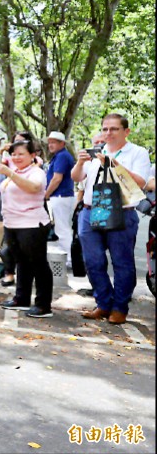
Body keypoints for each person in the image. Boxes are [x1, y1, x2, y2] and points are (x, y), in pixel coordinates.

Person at [71, 113, 151, 324]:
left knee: (122, 262)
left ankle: (119, 308)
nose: (108, 133)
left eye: (114, 129)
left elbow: (141, 182)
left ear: (126, 131)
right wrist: (80, 163)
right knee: (93, 261)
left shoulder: (137, 152)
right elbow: (77, 178)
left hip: (122, 211)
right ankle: (103, 304)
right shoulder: (97, 150)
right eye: (105, 129)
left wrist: (114, 164)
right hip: (90, 211)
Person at [0, 139, 54, 318]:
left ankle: (43, 305)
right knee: (21, 262)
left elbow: (34, 188)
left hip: (32, 224)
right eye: (13, 154)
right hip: (13, 224)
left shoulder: (36, 172)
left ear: (33, 155)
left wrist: (10, 173)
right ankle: (21, 298)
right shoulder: (15, 172)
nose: (17, 157)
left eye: (21, 154)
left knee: (38, 263)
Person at [44, 131, 76, 267]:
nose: (50, 145)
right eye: (49, 142)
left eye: (54, 142)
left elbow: (57, 179)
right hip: (61, 196)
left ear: (62, 144)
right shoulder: (58, 156)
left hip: (61, 196)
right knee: (62, 228)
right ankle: (66, 255)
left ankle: (68, 257)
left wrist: (46, 194)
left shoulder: (62, 156)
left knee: (63, 229)